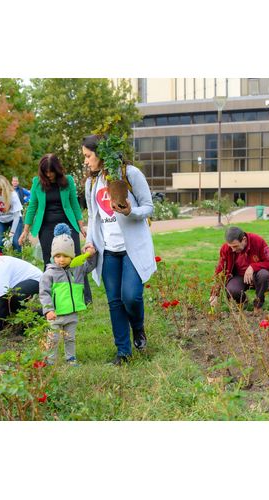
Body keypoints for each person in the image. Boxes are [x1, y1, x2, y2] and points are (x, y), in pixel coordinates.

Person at [81, 135, 156, 365]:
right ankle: (123, 352)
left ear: (100, 154)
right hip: (108, 251)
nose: (86, 161)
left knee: (131, 297)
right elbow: (94, 216)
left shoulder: (129, 174)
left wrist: (129, 212)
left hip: (132, 248)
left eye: (88, 156)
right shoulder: (91, 183)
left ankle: (138, 327)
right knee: (114, 302)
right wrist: (90, 242)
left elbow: (149, 208)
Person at [18, 154, 92, 304]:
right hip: (46, 227)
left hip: (68, 224)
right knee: (50, 261)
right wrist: (25, 230)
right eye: (46, 172)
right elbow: (32, 206)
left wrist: (81, 225)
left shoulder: (68, 181)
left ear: (57, 170)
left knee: (76, 259)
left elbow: (74, 203)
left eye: (52, 171)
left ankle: (85, 297)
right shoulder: (37, 183)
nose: (49, 175)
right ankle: (54, 298)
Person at [39, 223, 97, 366]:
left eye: (65, 256)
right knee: (53, 338)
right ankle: (50, 360)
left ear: (72, 255)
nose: (61, 259)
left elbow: (90, 266)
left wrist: (90, 256)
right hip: (56, 314)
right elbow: (44, 293)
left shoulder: (77, 269)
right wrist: (48, 310)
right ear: (53, 256)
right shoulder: (50, 273)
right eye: (57, 256)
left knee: (70, 338)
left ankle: (71, 358)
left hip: (72, 313)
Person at [209, 226, 269, 314]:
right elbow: (220, 271)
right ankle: (243, 301)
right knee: (231, 289)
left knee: (264, 275)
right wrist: (215, 294)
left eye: (235, 246)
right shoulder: (226, 248)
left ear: (244, 240)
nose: (233, 249)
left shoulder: (258, 241)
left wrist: (253, 267)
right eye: (231, 247)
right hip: (238, 276)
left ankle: (258, 305)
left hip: (257, 275)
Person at [0, 175, 23, 253]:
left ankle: (18, 261)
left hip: (14, 219)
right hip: (0, 220)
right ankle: (0, 262)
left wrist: (11, 235)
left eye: (0, 190)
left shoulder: (13, 195)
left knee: (16, 242)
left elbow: (16, 216)